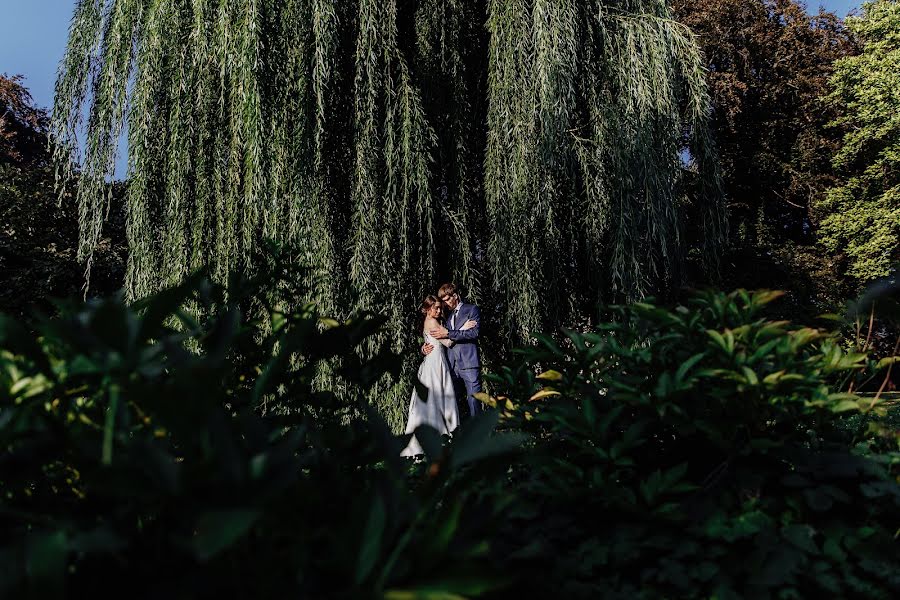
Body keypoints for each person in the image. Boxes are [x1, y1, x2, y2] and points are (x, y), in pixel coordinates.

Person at [401, 295, 476, 457]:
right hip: (435, 365)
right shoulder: (433, 322)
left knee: (434, 398)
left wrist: (423, 348)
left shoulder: (429, 321)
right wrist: (464, 327)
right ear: (427, 309)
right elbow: (448, 342)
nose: (439, 310)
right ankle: (444, 437)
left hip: (433, 362)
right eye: (436, 308)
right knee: (440, 396)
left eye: (440, 307)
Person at [424, 283, 483, 419]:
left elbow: (474, 333)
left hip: (469, 364)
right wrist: (424, 346)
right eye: (442, 301)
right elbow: (438, 337)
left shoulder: (472, 309)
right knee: (452, 404)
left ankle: (479, 436)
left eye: (447, 299)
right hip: (450, 366)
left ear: (455, 296)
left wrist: (449, 332)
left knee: (474, 401)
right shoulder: (447, 316)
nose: (444, 304)